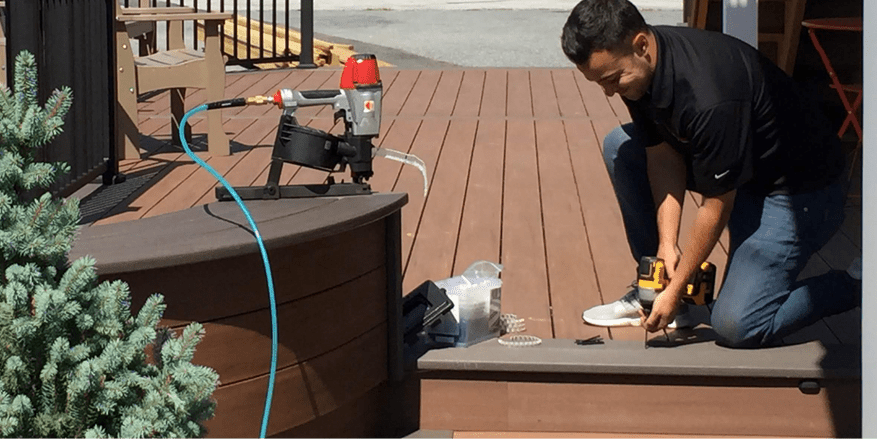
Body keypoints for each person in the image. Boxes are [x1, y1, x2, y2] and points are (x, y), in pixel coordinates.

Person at [562, 0, 860, 348]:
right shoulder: (639, 70)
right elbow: (661, 156)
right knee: (621, 147)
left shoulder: (709, 96)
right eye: (599, 82)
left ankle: (855, 283)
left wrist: (677, 289)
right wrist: (667, 244)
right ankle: (653, 287)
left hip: (799, 194)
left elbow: (716, 205)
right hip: (743, 169)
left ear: (641, 45)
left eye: (612, 79)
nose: (609, 91)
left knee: (738, 326)